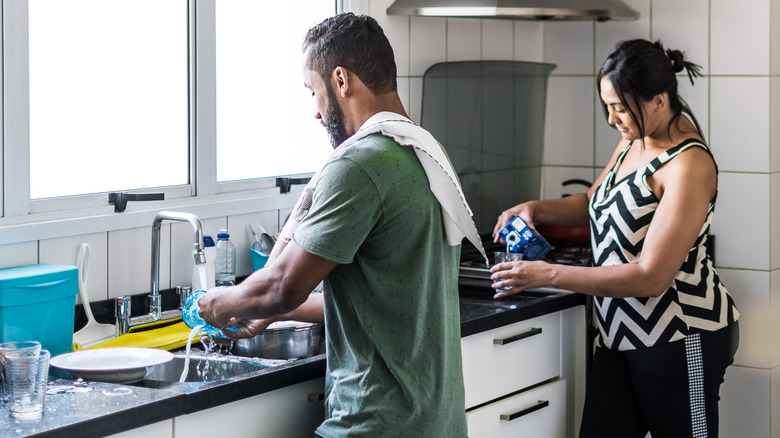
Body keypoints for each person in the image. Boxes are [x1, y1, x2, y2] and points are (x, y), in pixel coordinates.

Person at [197, 12, 486, 438]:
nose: (315, 112)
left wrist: (220, 303)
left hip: (374, 423)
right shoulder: (426, 151)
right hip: (434, 420)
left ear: (341, 80)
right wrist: (272, 312)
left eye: (313, 91)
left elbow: (281, 285)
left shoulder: (360, 162)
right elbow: (388, 297)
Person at [490, 39, 740, 437]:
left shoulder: (689, 164)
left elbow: (650, 276)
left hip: (680, 339)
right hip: (619, 335)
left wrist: (547, 274)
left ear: (659, 100)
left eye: (620, 108)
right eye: (608, 107)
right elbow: (594, 201)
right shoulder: (633, 139)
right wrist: (535, 208)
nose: (612, 119)